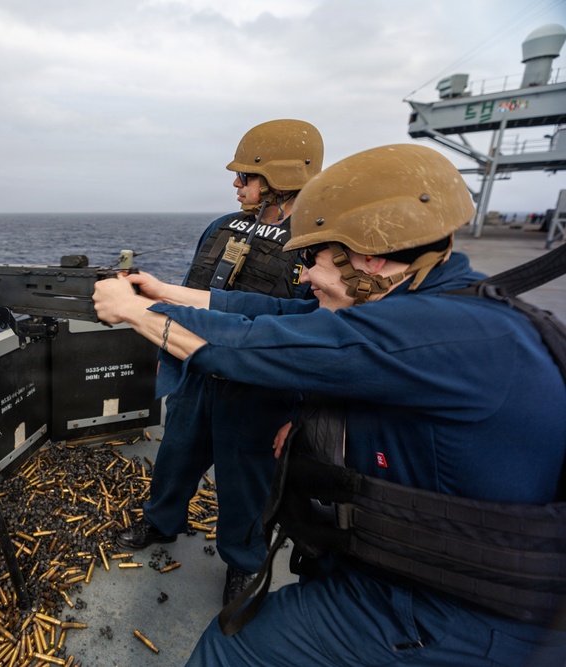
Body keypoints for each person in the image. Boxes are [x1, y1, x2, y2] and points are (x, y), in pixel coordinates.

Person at [93, 143, 566, 666]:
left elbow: (250, 347)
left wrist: (135, 312)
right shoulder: (445, 305)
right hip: (428, 572)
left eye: (312, 261)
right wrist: (168, 293)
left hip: (445, 609)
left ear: (371, 257)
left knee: (229, 653)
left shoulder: (434, 333)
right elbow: (281, 314)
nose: (307, 278)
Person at [114, 119, 323, 606]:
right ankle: (161, 523)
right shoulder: (220, 228)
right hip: (200, 372)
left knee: (244, 480)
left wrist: (300, 413)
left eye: (246, 177)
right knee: (175, 456)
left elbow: (315, 331)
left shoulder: (312, 244)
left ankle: (243, 562)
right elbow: (195, 291)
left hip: (260, 388)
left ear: (279, 182)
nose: (236, 184)